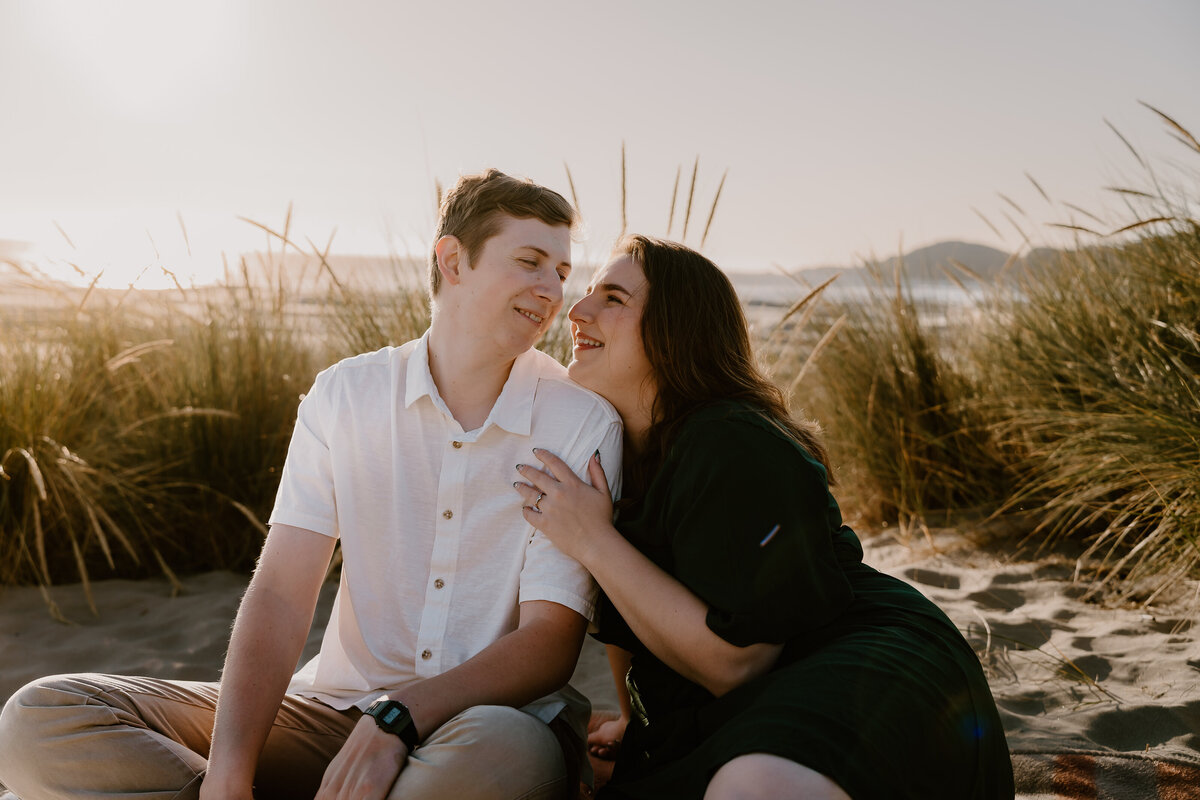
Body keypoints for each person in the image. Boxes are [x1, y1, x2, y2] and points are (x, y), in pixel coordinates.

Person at [0, 169, 623, 800]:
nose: (555, 292)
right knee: (39, 718)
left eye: (563, 272)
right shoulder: (345, 395)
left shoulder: (581, 420)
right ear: (453, 261)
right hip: (333, 716)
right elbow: (279, 594)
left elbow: (548, 643)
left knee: (503, 751)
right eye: (530, 262)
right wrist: (228, 778)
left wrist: (401, 718)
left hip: (486, 729)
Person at [513, 235, 1015, 799]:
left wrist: (592, 538)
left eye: (613, 298)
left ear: (676, 330)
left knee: (753, 786)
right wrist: (637, 722)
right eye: (584, 294)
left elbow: (739, 662)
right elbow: (630, 620)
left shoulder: (730, 439)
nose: (576, 311)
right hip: (738, 695)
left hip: (859, 662)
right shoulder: (616, 452)